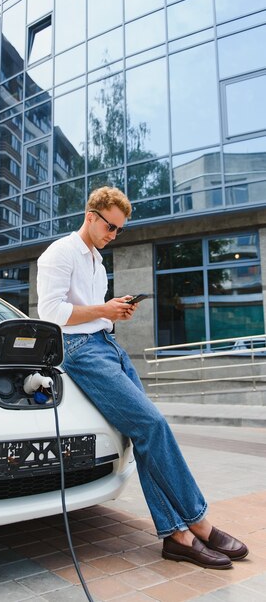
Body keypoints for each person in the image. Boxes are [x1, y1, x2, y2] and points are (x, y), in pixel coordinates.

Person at [37, 185, 248, 570]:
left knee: (145, 432)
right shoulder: (60, 253)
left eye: (120, 230)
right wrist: (104, 309)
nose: (114, 235)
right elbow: (51, 313)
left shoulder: (98, 262)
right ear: (91, 215)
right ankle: (198, 522)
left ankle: (175, 536)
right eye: (111, 227)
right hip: (79, 352)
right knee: (153, 424)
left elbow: (92, 311)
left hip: (106, 344)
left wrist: (114, 313)